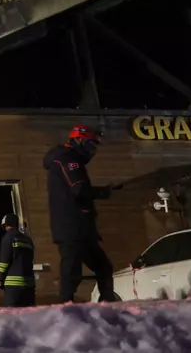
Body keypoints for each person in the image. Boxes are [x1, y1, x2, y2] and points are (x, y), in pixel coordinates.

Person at [44, 125, 120, 303]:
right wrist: (104, 192)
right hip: (72, 226)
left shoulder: (67, 159)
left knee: (103, 267)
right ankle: (65, 307)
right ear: (79, 140)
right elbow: (78, 188)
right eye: (91, 144)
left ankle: (107, 303)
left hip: (81, 227)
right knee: (72, 270)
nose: (93, 150)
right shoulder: (67, 159)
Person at [0, 213, 36, 307]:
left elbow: (5, 261)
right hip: (29, 284)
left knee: (12, 316)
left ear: (6, 225)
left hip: (13, 286)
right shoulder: (27, 240)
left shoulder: (8, 237)